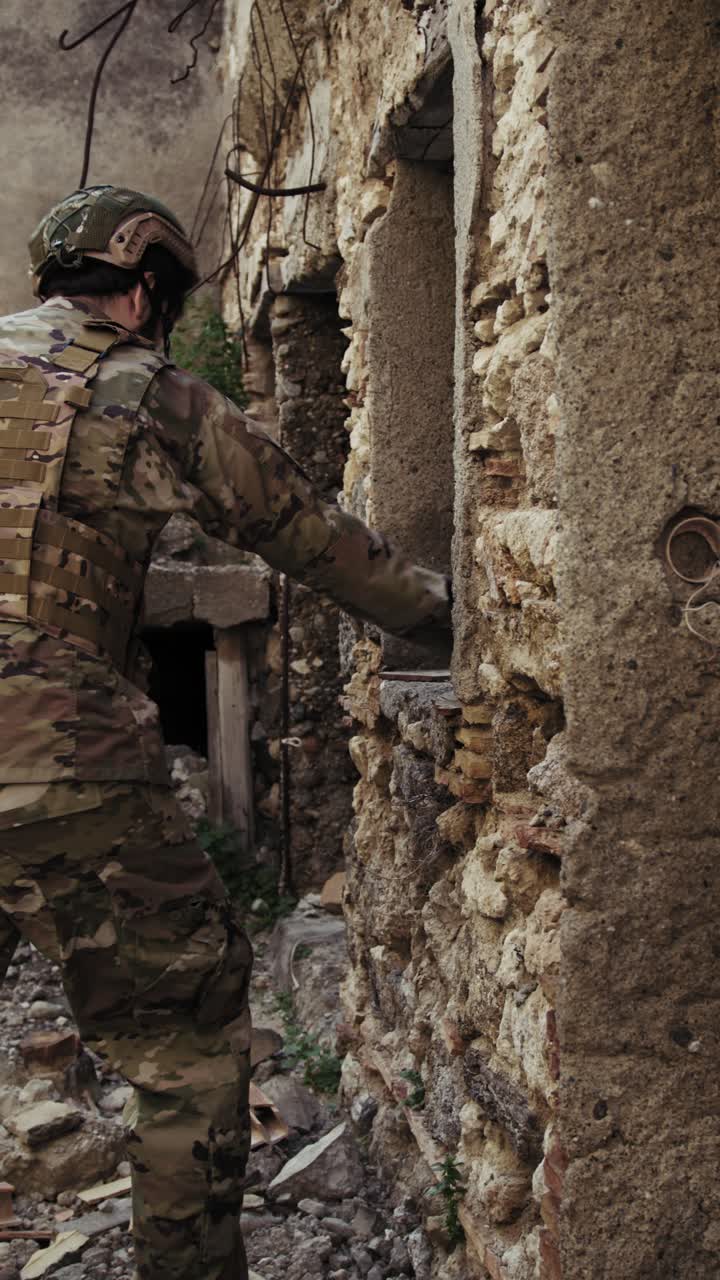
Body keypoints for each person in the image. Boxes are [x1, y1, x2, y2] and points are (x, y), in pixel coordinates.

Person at [0, 186, 452, 1280]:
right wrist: (434, 608)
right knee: (185, 1030)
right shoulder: (140, 387)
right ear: (144, 284)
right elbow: (297, 524)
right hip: (53, 744)